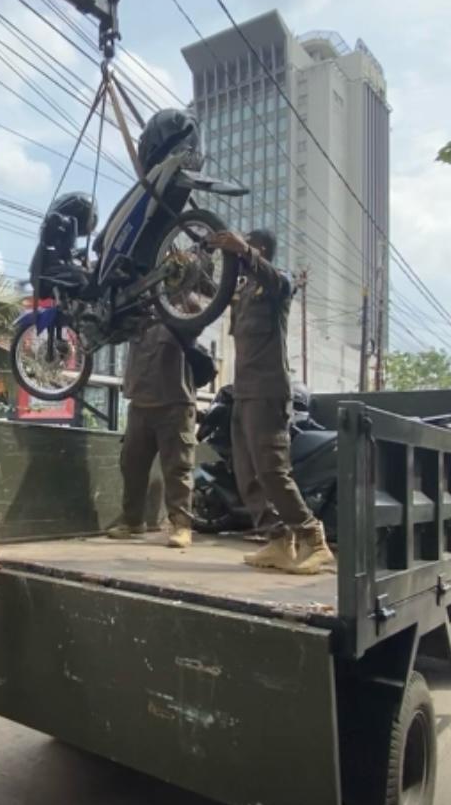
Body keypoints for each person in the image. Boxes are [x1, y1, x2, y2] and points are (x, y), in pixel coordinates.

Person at [209, 229, 335, 575]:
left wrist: (244, 250)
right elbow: (210, 297)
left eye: (248, 245)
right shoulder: (245, 293)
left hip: (269, 391)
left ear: (260, 249)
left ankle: (313, 538)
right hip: (244, 392)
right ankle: (277, 540)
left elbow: (276, 278)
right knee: (246, 471)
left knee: (272, 471)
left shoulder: (277, 284)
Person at [108, 320, 197, 548]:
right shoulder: (136, 314)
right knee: (131, 464)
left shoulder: (179, 309)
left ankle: (181, 525)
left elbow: (199, 314)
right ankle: (132, 521)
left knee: (177, 468)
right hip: (140, 404)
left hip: (174, 404)